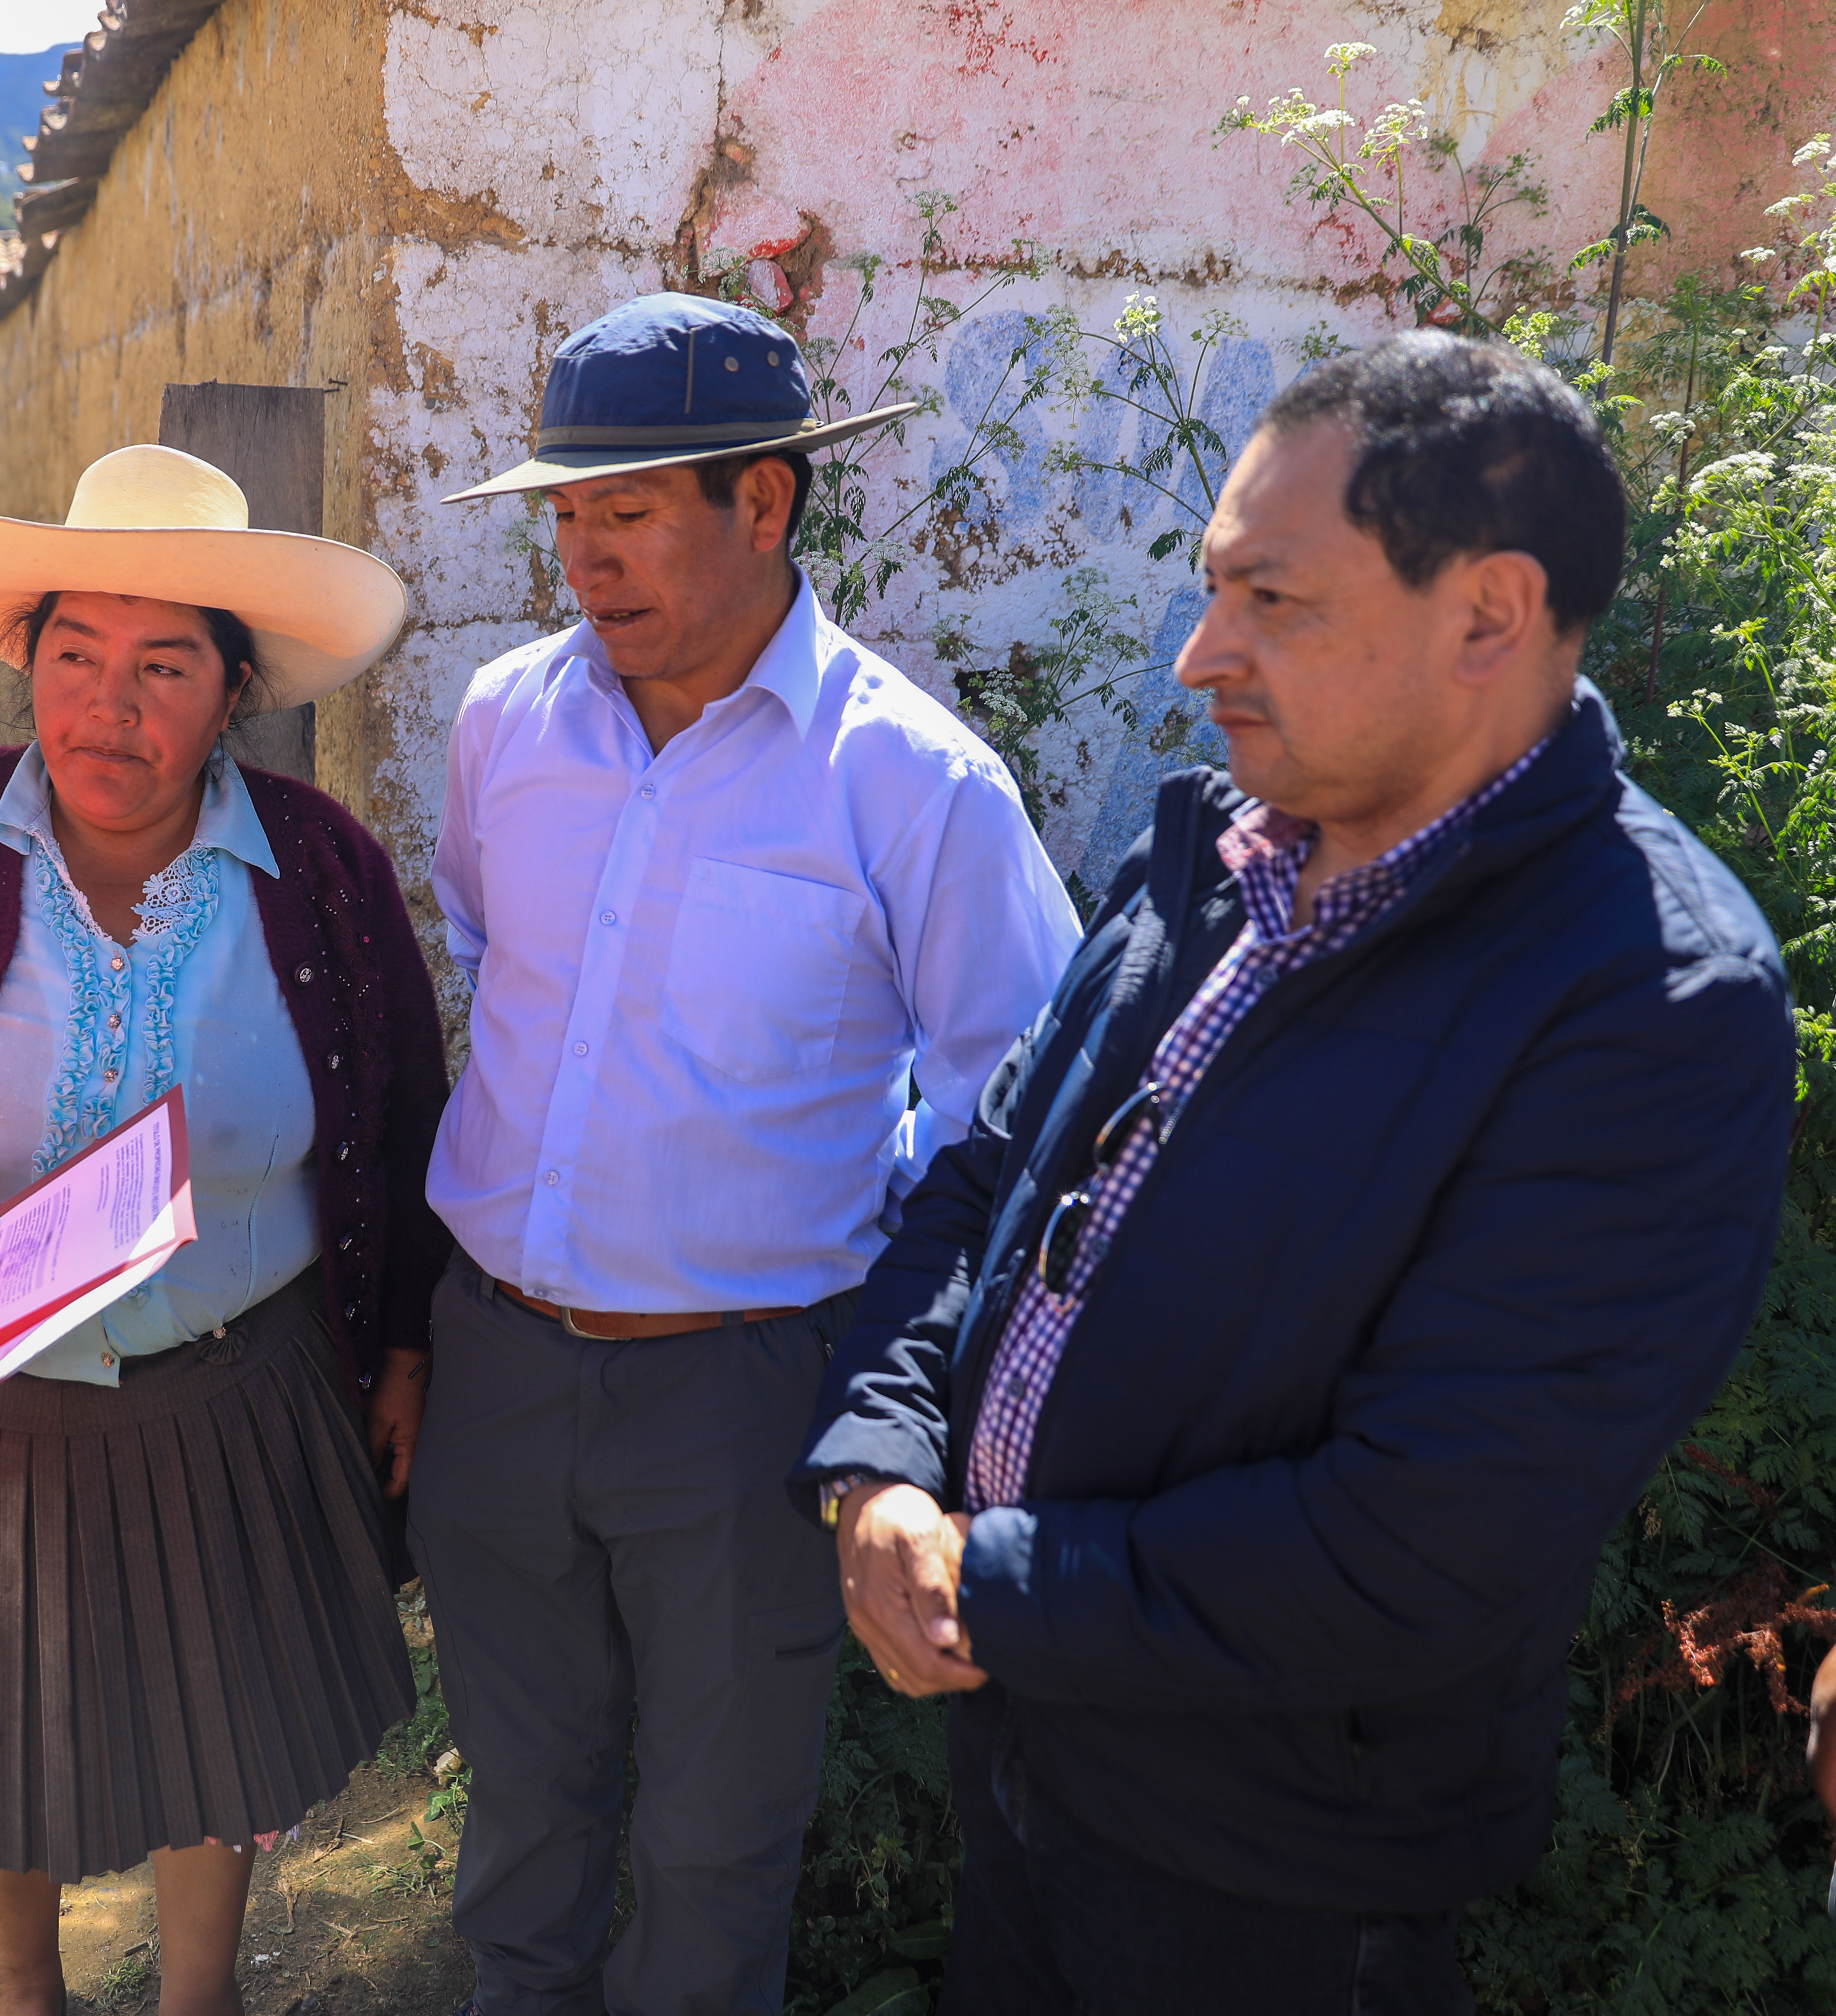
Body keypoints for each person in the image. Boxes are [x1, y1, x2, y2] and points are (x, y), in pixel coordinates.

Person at [808, 332, 1797, 2013]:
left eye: (1275, 600)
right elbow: (988, 1181)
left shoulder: (1648, 995)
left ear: (1489, 614)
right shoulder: (1206, 854)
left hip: (1272, 1872)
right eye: (1215, 590)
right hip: (1029, 1766)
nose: (1202, 655)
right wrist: (881, 1468)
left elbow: (1419, 1536)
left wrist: (994, 1581)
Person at [415, 293, 1081, 2016]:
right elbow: (498, 969)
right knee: (519, 1825)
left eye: (626, 513)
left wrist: (899, 1410)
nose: (582, 559)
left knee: (715, 1863)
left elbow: (1013, 1126)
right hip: (497, 1369)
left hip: (743, 1402)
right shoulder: (505, 723)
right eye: (563, 515)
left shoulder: (913, 788)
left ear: (766, 503)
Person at [0, 443, 451, 2016]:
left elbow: (402, 1121)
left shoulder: (320, 876)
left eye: (162, 666)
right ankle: (17, 1988)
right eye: (75, 656)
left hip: (238, 1390)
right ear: (27, 662)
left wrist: (400, 1346)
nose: (108, 707)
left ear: (235, 689)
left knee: (219, 1715)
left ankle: (200, 1992)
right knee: (8, 1718)